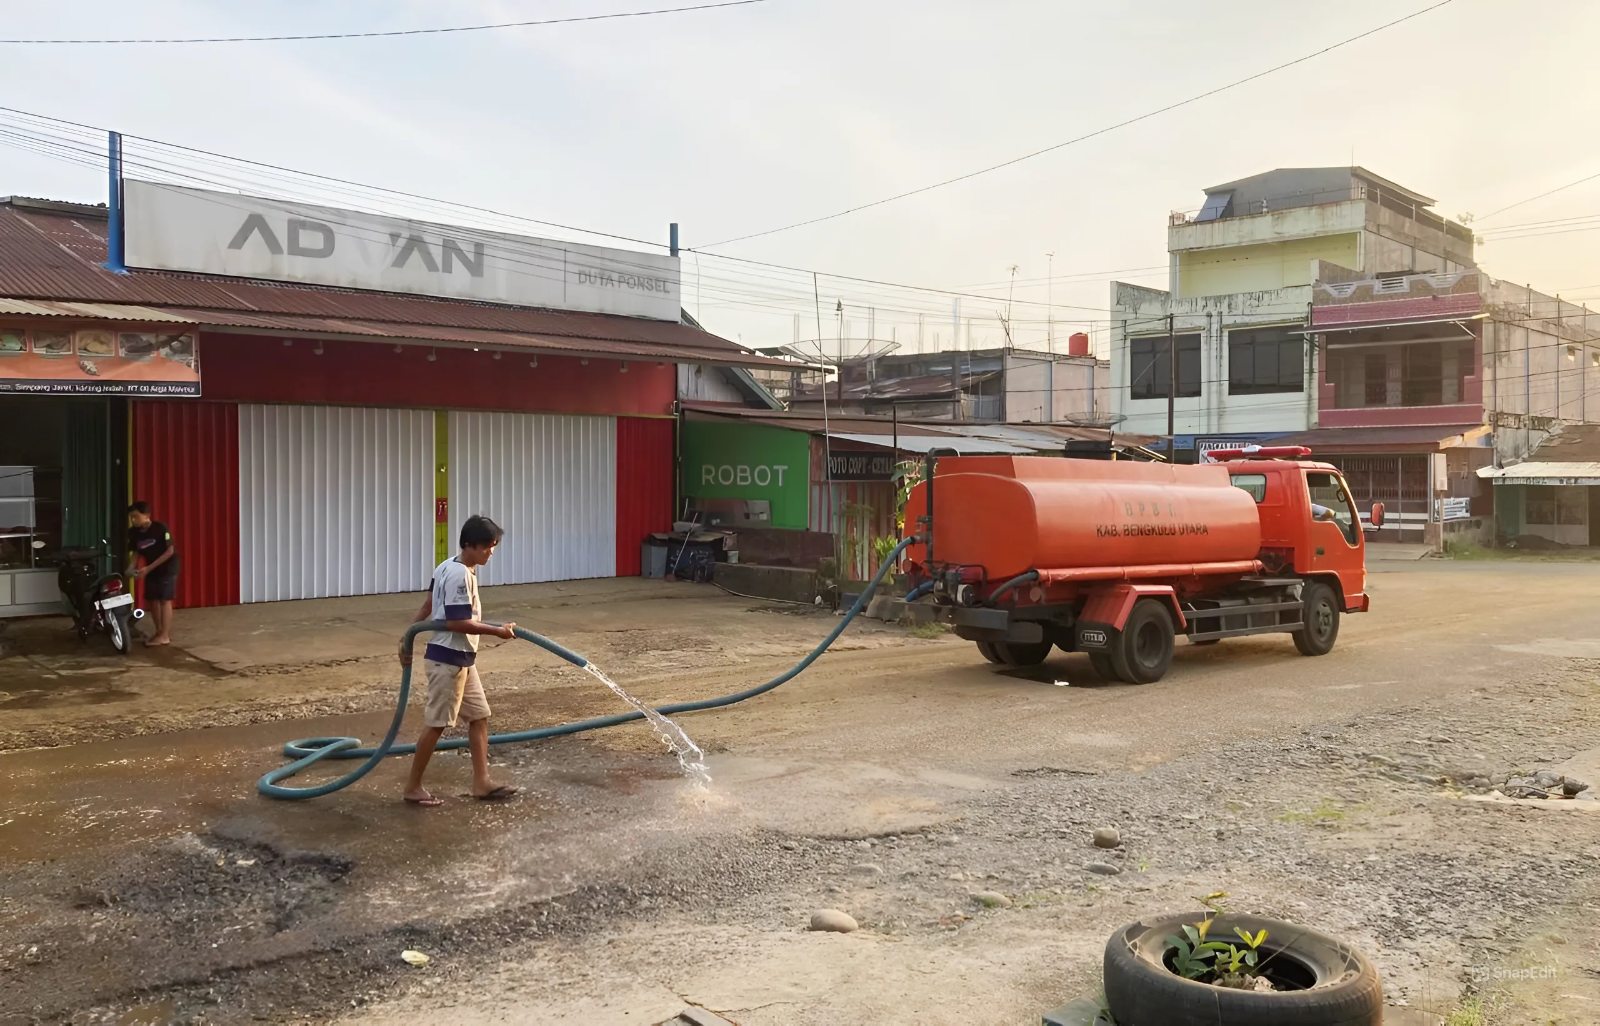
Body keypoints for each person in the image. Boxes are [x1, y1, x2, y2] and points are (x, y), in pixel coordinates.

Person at [399, 514, 520, 807]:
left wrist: (407, 635)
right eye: (488, 546)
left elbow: (429, 606)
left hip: (463, 659)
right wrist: (497, 631)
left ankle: (482, 782)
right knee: (437, 724)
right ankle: (412, 787)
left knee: (479, 717)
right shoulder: (458, 575)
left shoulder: (447, 566)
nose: (491, 551)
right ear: (471, 545)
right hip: (448, 661)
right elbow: (457, 622)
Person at [126, 501, 178, 646]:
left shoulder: (160, 528)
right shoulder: (133, 533)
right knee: (152, 599)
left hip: (167, 567)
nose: (133, 520)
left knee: (164, 599)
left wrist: (148, 568)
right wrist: (131, 567)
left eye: (136, 516)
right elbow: (136, 552)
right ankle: (159, 631)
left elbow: (170, 551)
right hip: (151, 568)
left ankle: (165, 635)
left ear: (147, 515)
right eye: (131, 517)